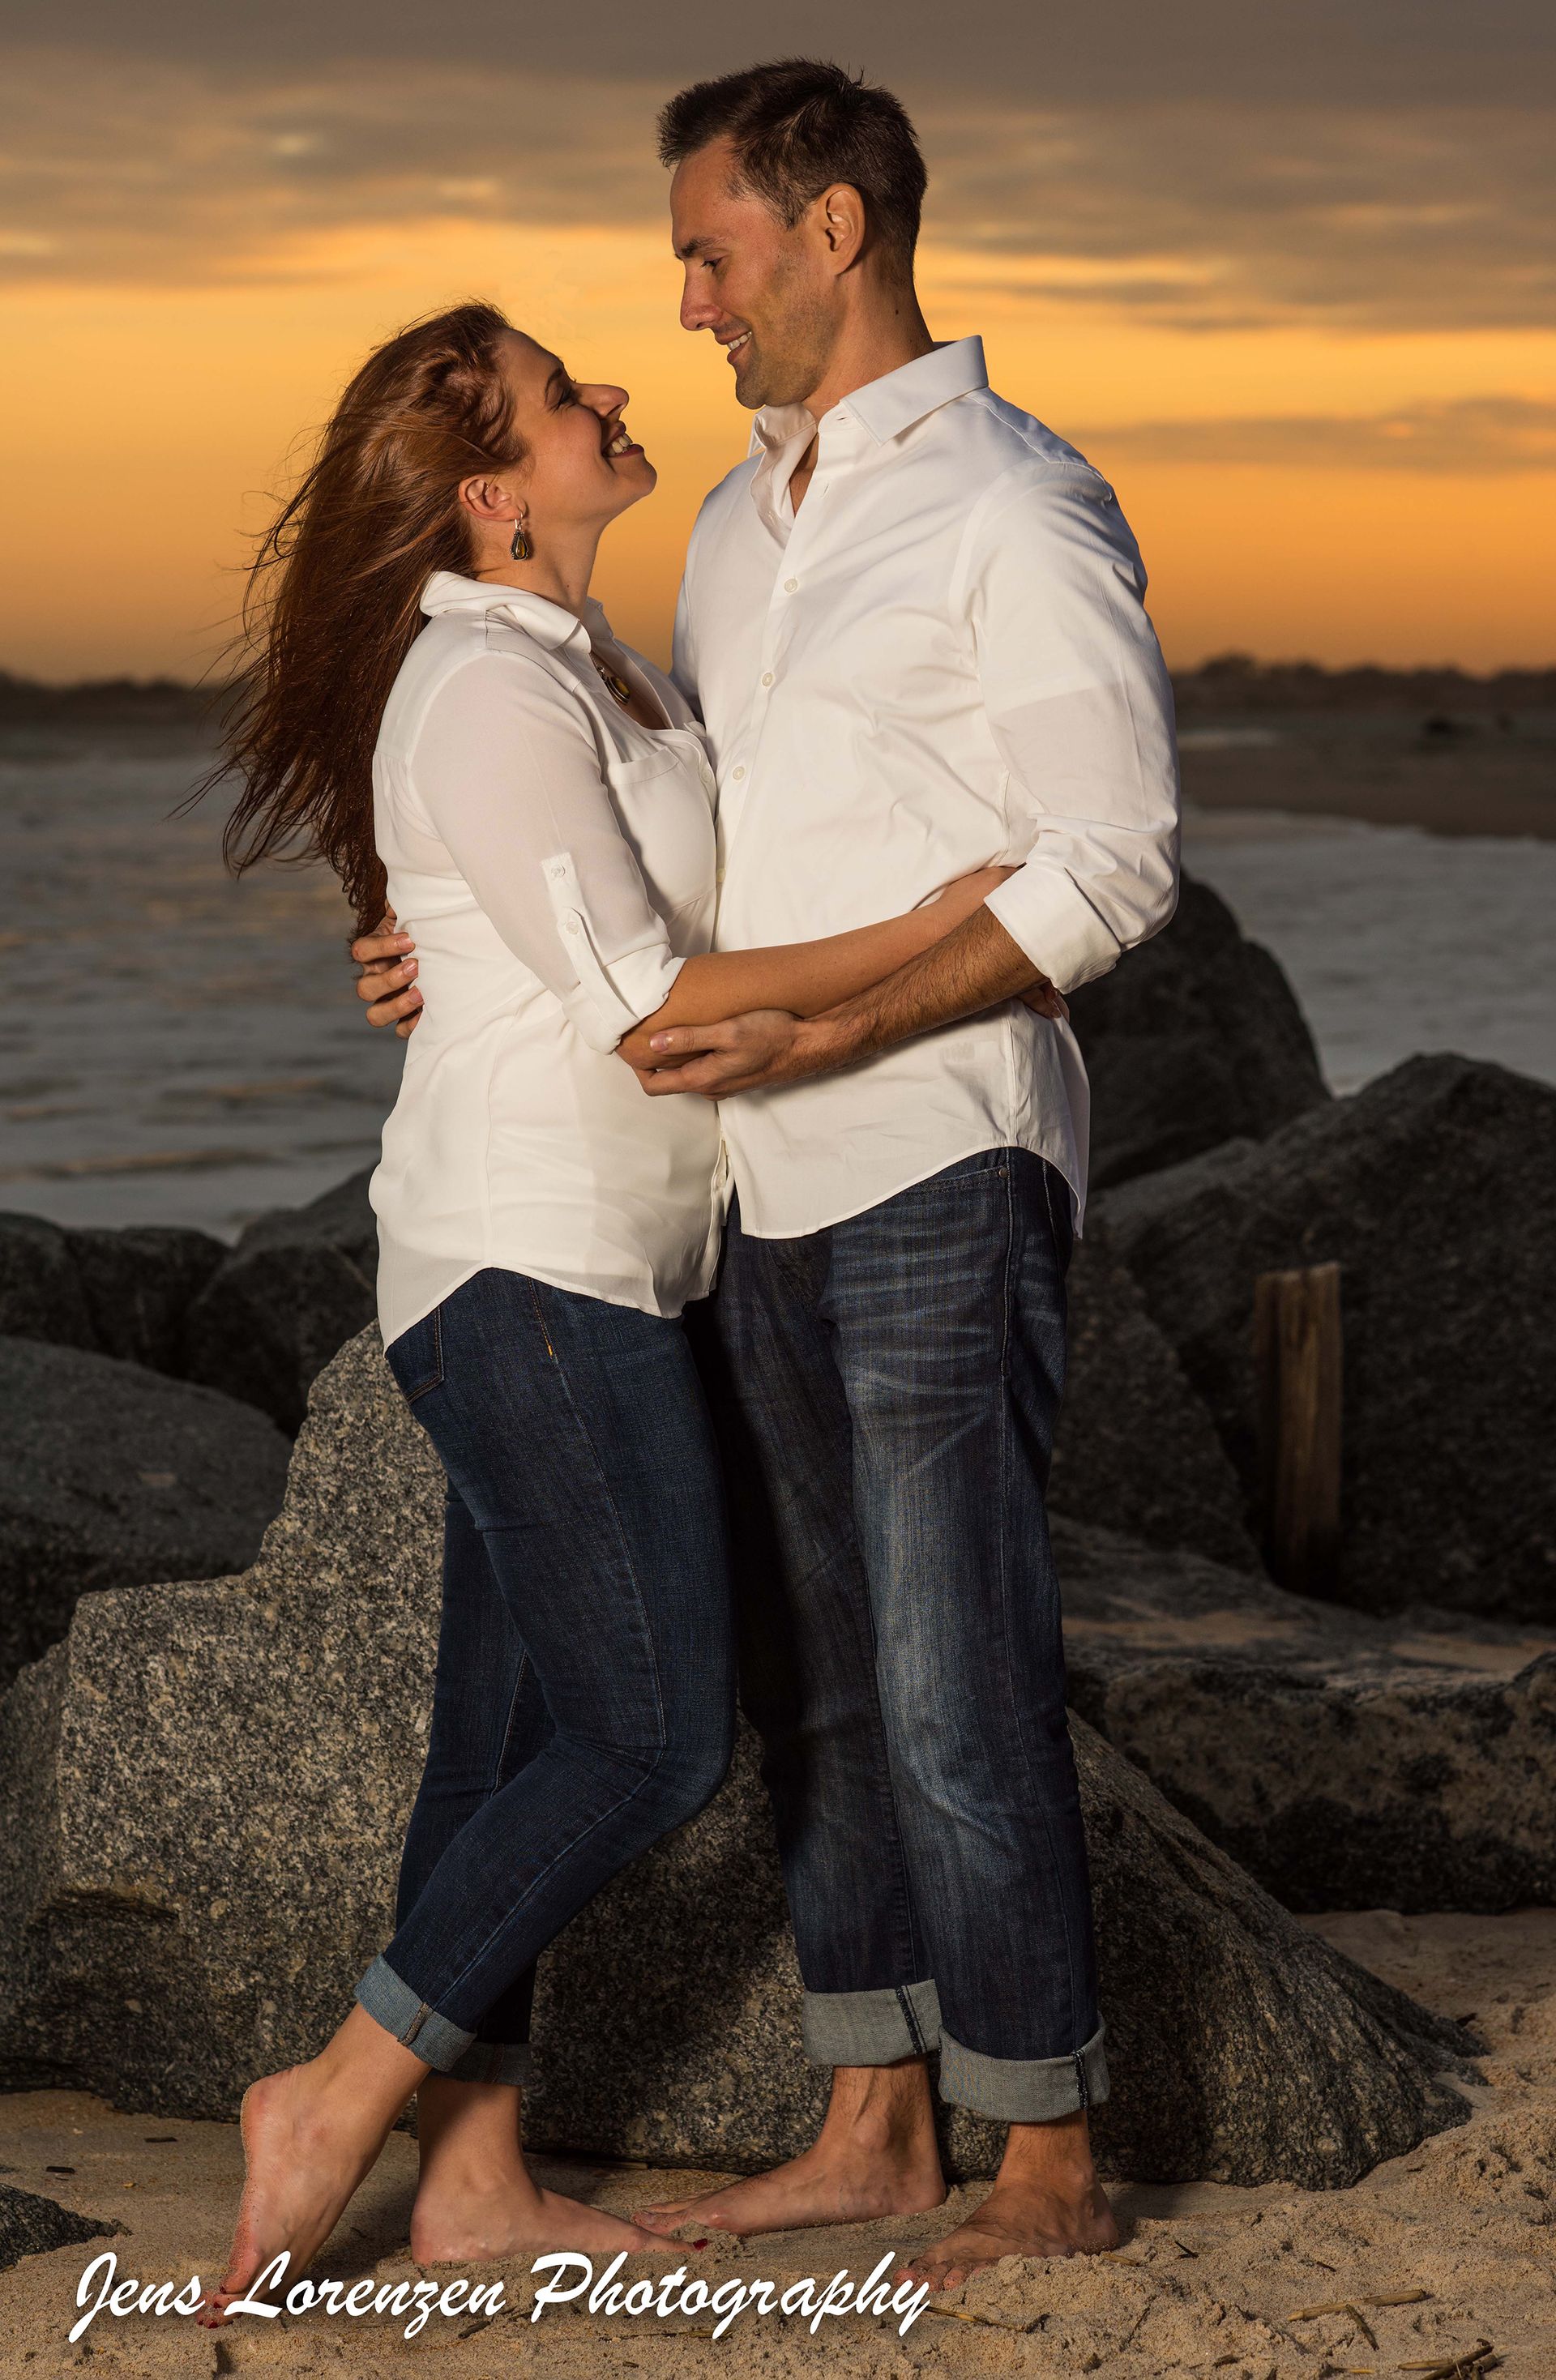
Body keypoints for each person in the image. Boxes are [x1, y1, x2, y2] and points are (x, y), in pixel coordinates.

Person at [354, 59, 1180, 2292]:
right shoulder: (729, 527)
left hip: (936, 1152)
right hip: (750, 1196)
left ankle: (1045, 2151)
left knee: (954, 1665)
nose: (688, 300)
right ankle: (875, 2116)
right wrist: (449, 937)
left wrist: (855, 1013)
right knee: (821, 1675)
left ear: (832, 233)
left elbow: (1112, 865)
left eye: (710, 251)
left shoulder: (1013, 502)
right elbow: (667, 843)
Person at [192, 297, 1036, 2324]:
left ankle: (471, 2172)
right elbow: (649, 1001)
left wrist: (413, 932)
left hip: (602, 1262)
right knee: (653, 1733)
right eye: (571, 398)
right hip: (528, 1262)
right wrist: (956, 924)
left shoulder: (590, 664)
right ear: (495, 492)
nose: (614, 397)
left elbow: (571, 917)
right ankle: (335, 2095)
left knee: (491, 1747)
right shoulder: (486, 688)